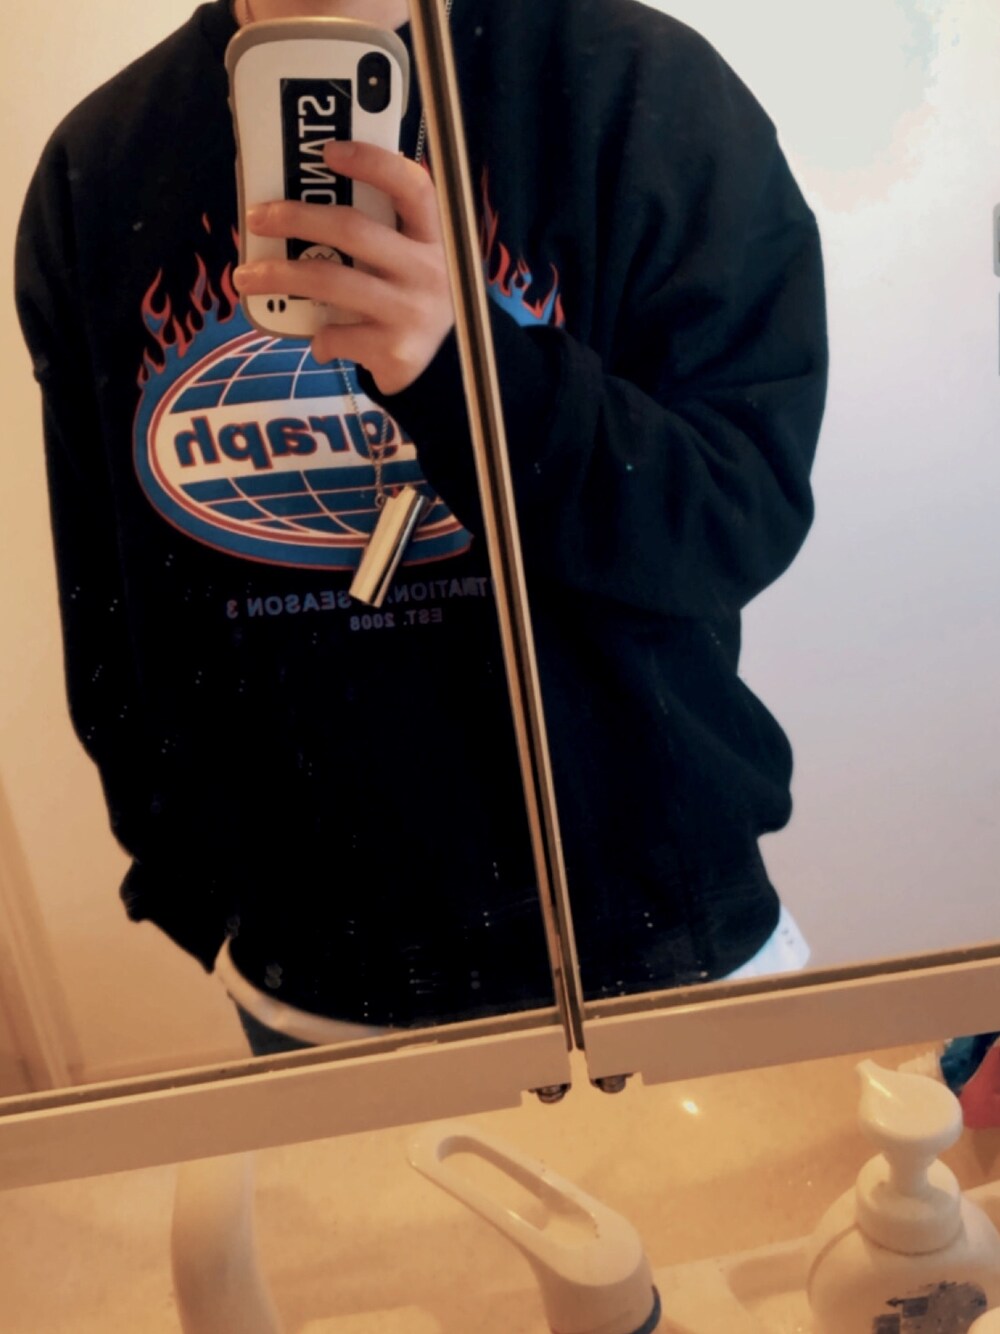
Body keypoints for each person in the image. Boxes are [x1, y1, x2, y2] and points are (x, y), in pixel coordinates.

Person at [15, 0, 828, 1055]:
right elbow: (107, 600)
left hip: (666, 948)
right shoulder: (99, 166)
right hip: (311, 989)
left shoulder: (642, 90)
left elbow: (735, 515)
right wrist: (199, 892)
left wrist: (472, 374)